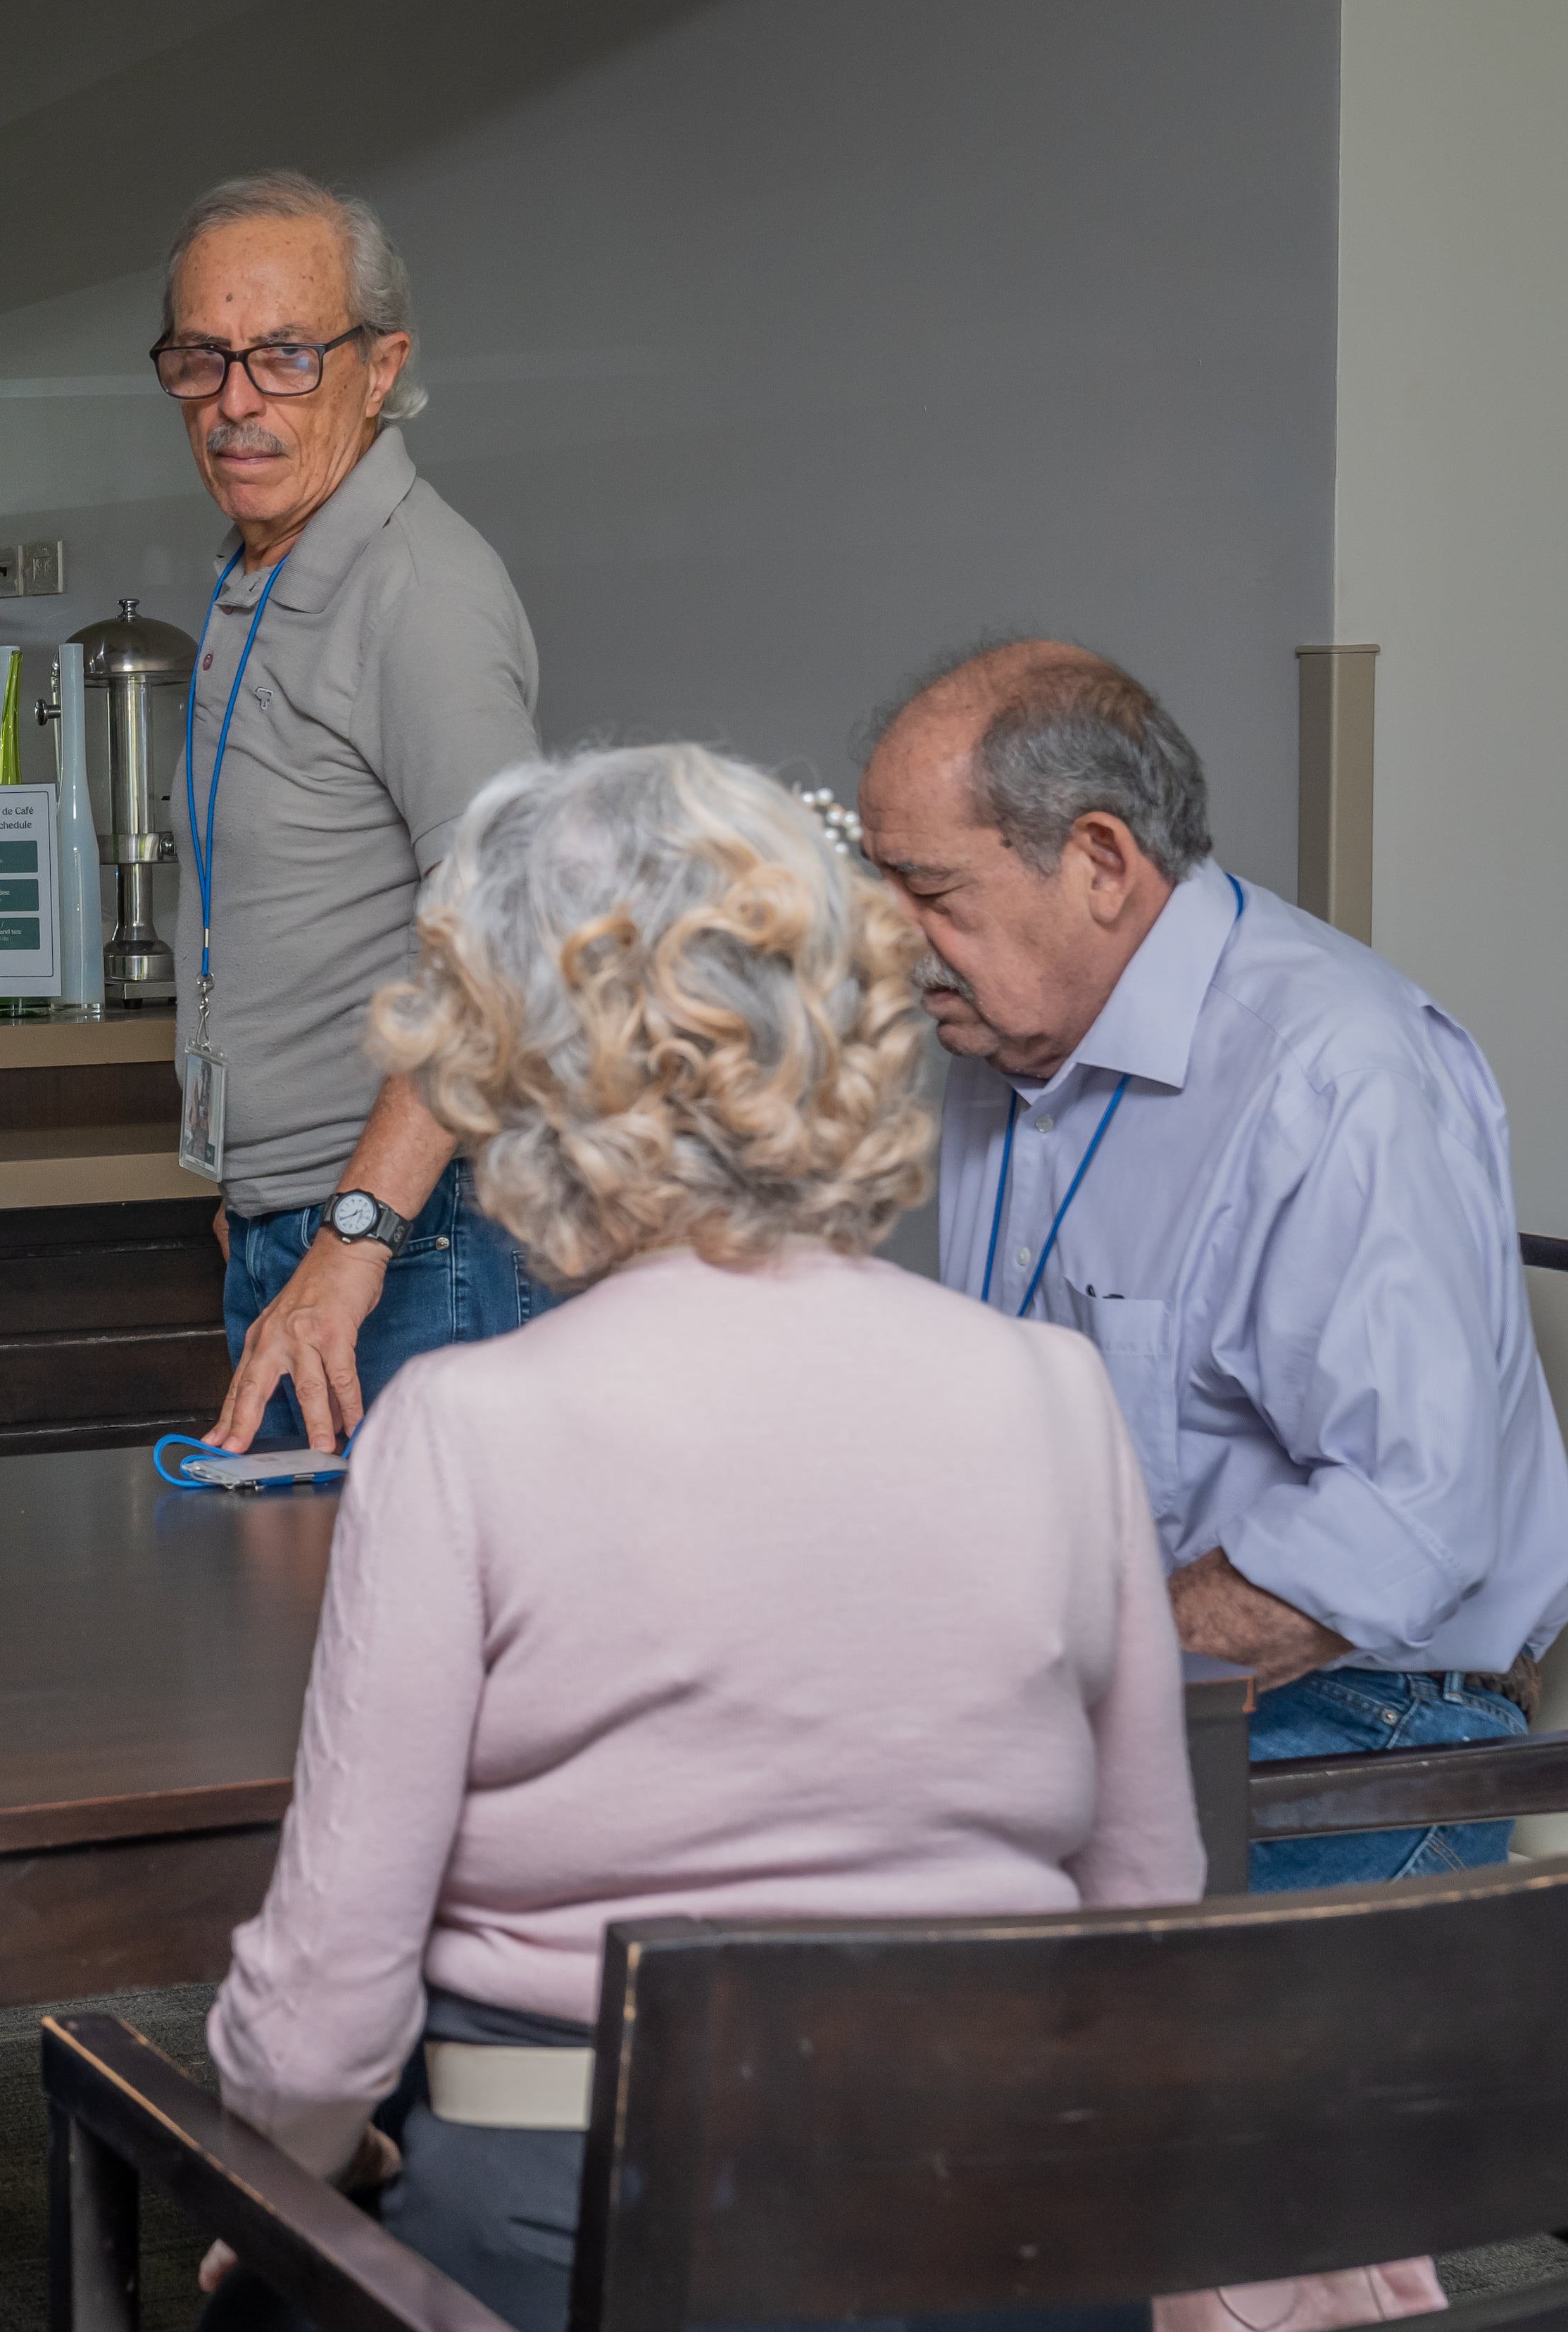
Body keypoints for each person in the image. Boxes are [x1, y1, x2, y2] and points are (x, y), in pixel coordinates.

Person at [198, 744, 1204, 2332]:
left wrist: (276, 2173)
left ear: (518, 1067)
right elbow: (1143, 1902)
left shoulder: (463, 1429)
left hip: (581, 2227)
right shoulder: (1051, 1390)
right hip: (1003, 2227)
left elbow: (322, 2027)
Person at [858, 640, 1568, 1891]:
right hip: (1131, 1691)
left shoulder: (1334, 1076)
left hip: (1362, 1714)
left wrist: (1066, 1667)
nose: (889, 938)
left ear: (1100, 862)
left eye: (930, 891)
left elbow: (1405, 1523)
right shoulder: (1011, 1044)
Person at [156, 172, 556, 1458]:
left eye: (282, 356)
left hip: (413, 1231)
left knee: (411, 1649)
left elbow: (509, 933)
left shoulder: (420, 588)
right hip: (308, 1218)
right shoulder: (261, 569)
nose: (235, 403)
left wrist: (355, 1233)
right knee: (302, 1645)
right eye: (201, 360)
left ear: (379, 368)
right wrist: (259, 1191)